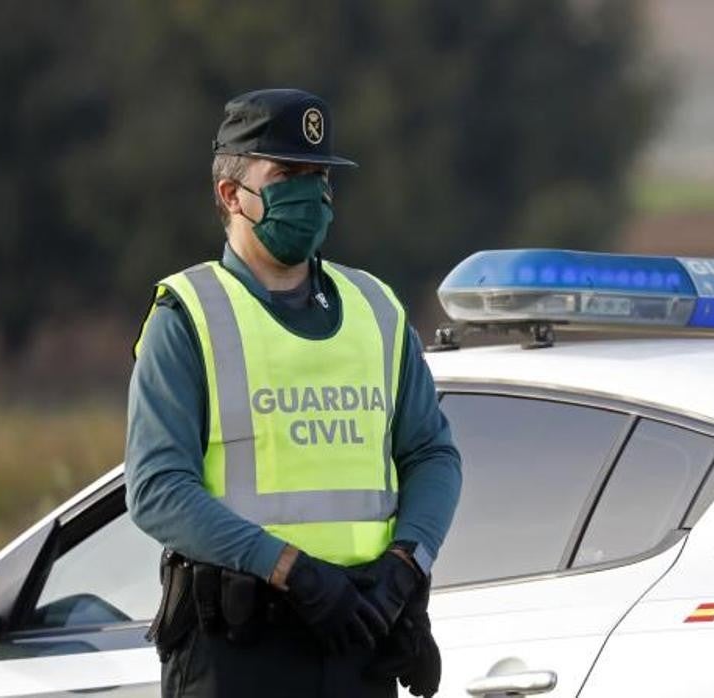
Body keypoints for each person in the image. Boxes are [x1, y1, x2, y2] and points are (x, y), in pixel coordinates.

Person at [125, 88, 461, 698]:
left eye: (318, 174)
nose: (309, 192)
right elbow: (157, 491)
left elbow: (432, 456)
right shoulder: (187, 317)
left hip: (360, 635)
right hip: (239, 653)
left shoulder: (378, 309)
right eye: (286, 174)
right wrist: (292, 571)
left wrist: (407, 570)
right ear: (231, 194)